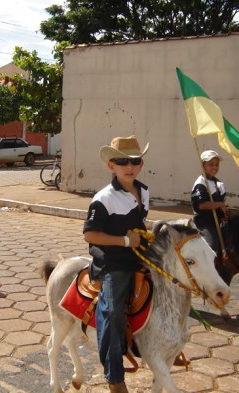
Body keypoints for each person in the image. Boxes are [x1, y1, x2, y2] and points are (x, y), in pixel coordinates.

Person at [83, 135, 149, 393]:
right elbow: (89, 234)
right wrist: (124, 241)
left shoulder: (143, 191)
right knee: (111, 312)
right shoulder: (103, 198)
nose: (129, 166)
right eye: (122, 161)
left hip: (140, 254)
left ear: (141, 163)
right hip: (114, 262)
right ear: (111, 165)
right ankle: (114, 377)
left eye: (135, 160)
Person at [190, 150, 226, 259]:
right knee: (212, 247)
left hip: (217, 224)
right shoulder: (200, 184)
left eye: (216, 165)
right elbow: (201, 205)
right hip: (204, 224)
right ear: (203, 166)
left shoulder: (219, 184)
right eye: (210, 164)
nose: (214, 167)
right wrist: (219, 204)